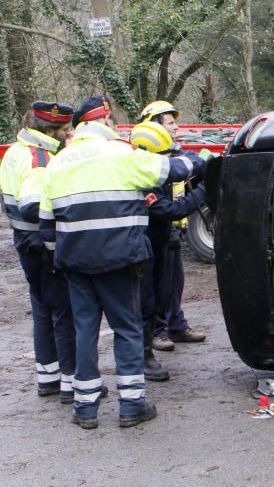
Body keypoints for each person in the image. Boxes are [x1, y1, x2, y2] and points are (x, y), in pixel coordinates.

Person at [39, 95, 207, 429]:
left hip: (76, 263)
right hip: (120, 259)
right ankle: (131, 404)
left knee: (85, 329)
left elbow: (47, 226)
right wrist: (200, 159)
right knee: (127, 329)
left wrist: (64, 257)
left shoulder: (58, 162)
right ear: (105, 122)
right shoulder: (121, 152)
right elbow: (173, 170)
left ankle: (85, 408)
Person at [0, 102, 77, 402]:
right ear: (48, 131)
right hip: (41, 244)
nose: (68, 134)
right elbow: (32, 206)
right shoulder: (39, 158)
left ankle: (49, 377)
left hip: (24, 242)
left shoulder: (17, 149)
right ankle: (71, 383)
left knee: (43, 309)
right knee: (63, 312)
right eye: (64, 130)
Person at [128, 121, 209, 381]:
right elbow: (169, 210)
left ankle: (153, 343)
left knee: (163, 294)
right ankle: (143, 357)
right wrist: (203, 192)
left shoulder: (155, 165)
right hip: (143, 248)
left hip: (159, 243)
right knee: (144, 303)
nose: (167, 162)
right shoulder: (142, 182)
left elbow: (185, 159)